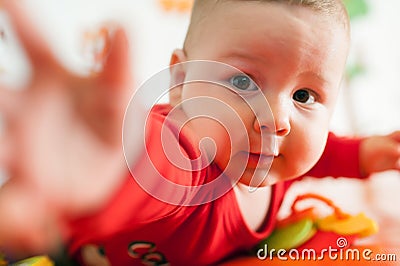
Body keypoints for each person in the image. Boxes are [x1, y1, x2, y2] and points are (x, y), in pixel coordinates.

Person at [0, 0, 399, 265]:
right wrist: (115, 164)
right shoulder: (181, 162)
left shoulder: (269, 154)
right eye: (243, 83)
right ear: (181, 80)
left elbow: (320, 152)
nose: (277, 119)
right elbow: (153, 170)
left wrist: (363, 154)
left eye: (305, 95)